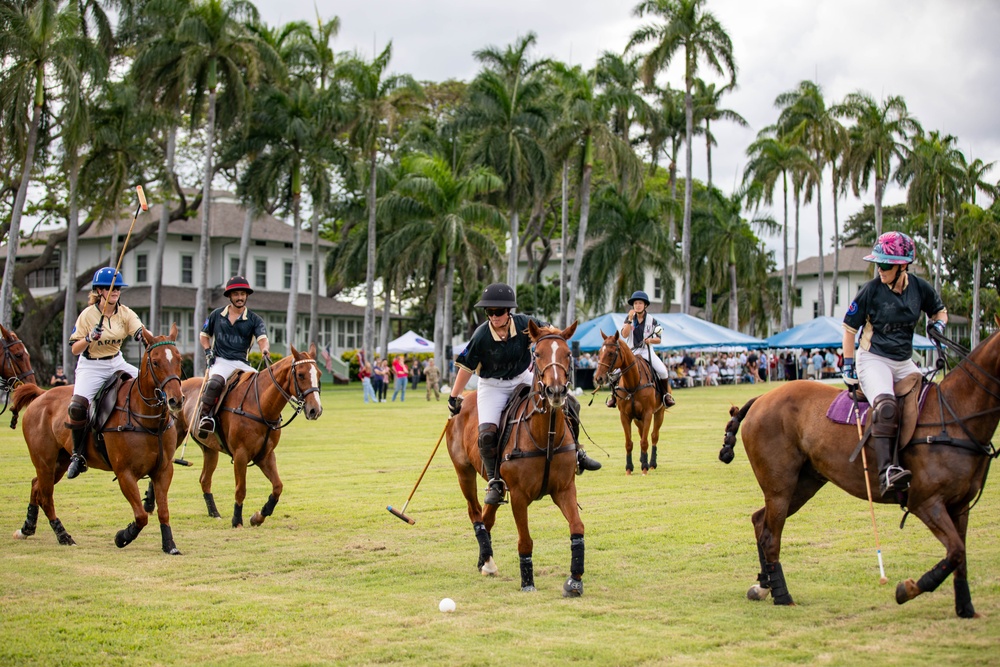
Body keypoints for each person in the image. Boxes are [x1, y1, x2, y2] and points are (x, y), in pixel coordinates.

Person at [447, 282, 601, 505]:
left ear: (508, 311)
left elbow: (552, 334)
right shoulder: (481, 335)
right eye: (489, 312)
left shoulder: (524, 324)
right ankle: (495, 482)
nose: (494, 316)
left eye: (499, 311)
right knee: (487, 433)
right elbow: (466, 366)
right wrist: (454, 396)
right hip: (492, 385)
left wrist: (561, 337)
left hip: (522, 378)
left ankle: (577, 452)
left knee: (572, 404)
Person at [842, 231, 948, 498]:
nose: (880, 269)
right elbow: (849, 328)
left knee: (931, 401)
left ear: (903, 266)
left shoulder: (920, 288)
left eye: (885, 264)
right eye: (878, 264)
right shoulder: (871, 290)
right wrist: (848, 364)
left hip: (903, 361)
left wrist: (938, 325)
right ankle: (887, 471)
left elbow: (939, 311)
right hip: (873, 359)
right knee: (886, 406)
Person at [66, 268, 146, 478]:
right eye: (111, 288)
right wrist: (89, 338)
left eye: (118, 288)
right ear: (99, 291)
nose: (116, 292)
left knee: (151, 386)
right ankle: (77, 455)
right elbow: (75, 349)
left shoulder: (125, 313)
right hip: (92, 365)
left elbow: (140, 331)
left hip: (117, 362)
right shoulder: (88, 315)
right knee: (77, 407)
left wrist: (144, 337)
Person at [196, 276, 270, 440]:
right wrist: (208, 351)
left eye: (242, 294)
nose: (239, 297)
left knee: (261, 385)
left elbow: (262, 339)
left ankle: (266, 420)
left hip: (242, 363)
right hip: (221, 361)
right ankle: (205, 417)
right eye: (236, 294)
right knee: (215, 383)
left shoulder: (254, 319)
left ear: (247, 295)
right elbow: (204, 336)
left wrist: (264, 350)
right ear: (229, 296)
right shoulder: (216, 315)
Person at [608, 290, 675, 408]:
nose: (637, 305)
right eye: (635, 303)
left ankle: (666, 396)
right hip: (631, 352)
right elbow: (624, 334)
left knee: (663, 371)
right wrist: (629, 319)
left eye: (640, 303)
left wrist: (650, 340)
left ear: (645, 305)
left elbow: (658, 339)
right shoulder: (629, 318)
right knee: (613, 374)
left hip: (646, 351)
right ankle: (613, 397)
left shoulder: (652, 320)